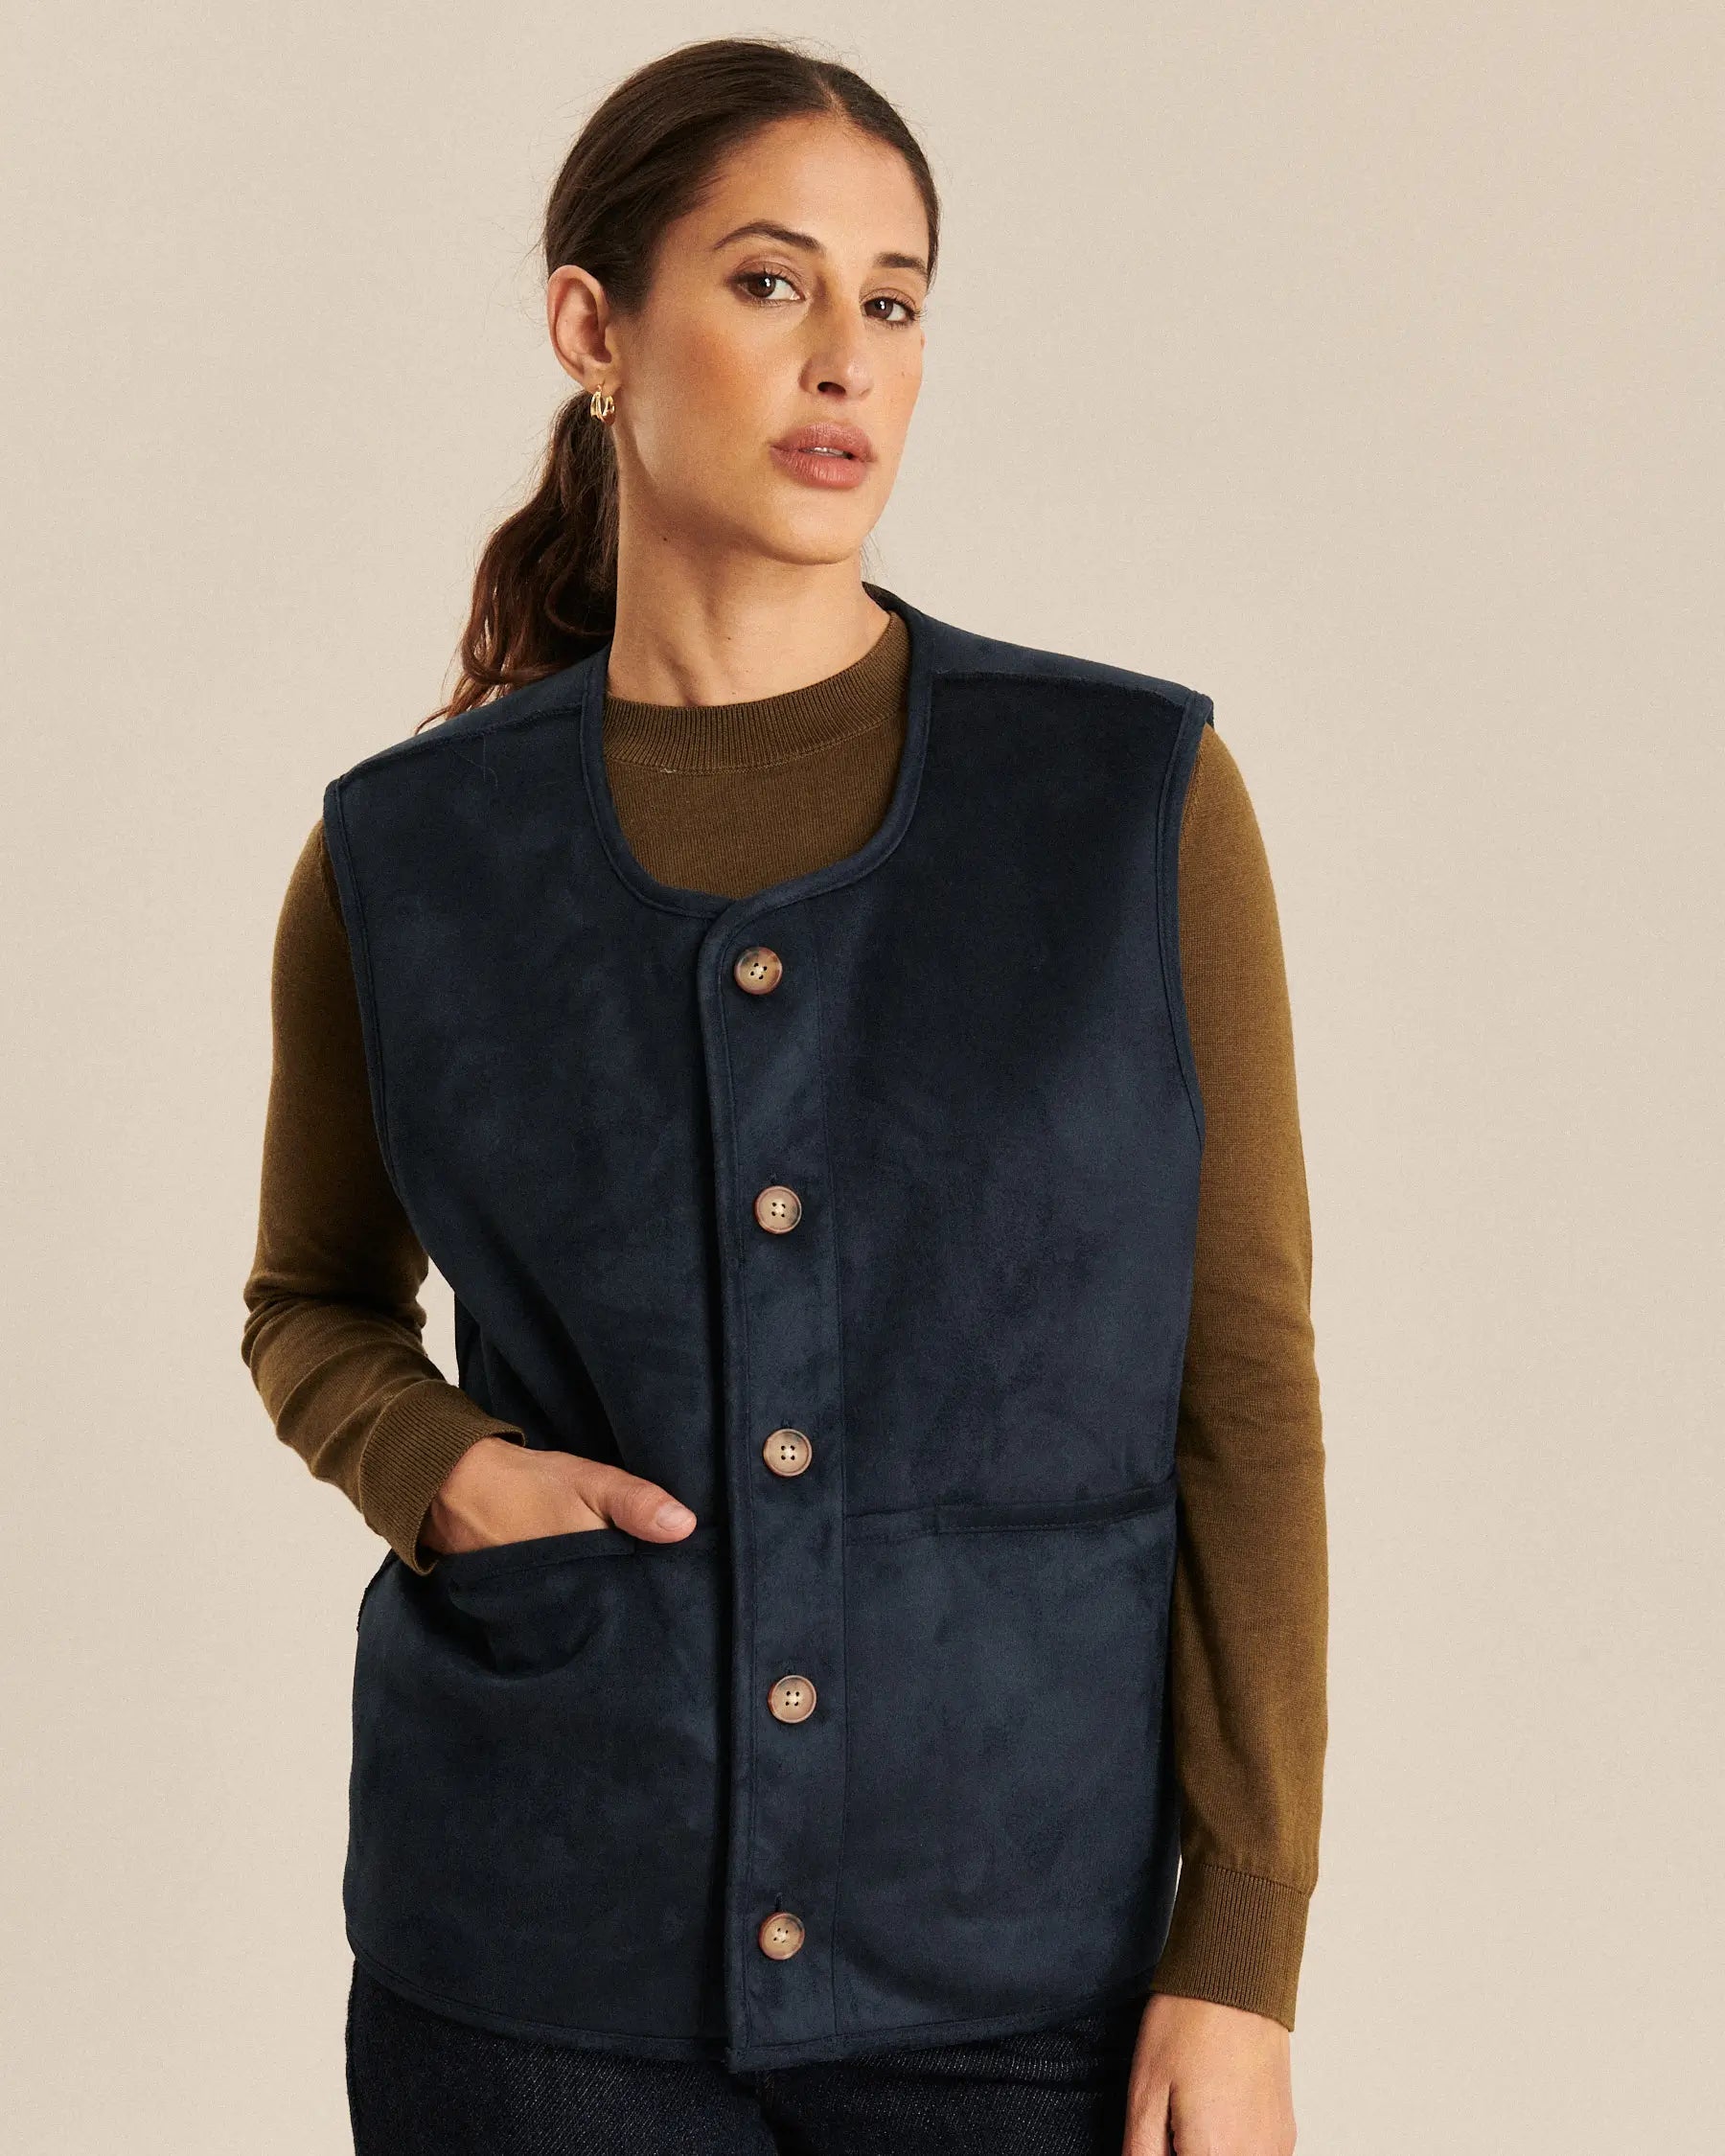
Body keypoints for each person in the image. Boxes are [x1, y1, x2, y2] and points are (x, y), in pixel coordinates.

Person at [242, 34, 1326, 2156]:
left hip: (1027, 1977)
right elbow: (310, 1301)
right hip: (535, 1970)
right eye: (769, 282)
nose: (846, 358)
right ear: (593, 327)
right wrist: (443, 1472)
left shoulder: (1132, 807)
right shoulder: (405, 856)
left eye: (893, 301)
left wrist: (1246, 1945)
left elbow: (1247, 1385)